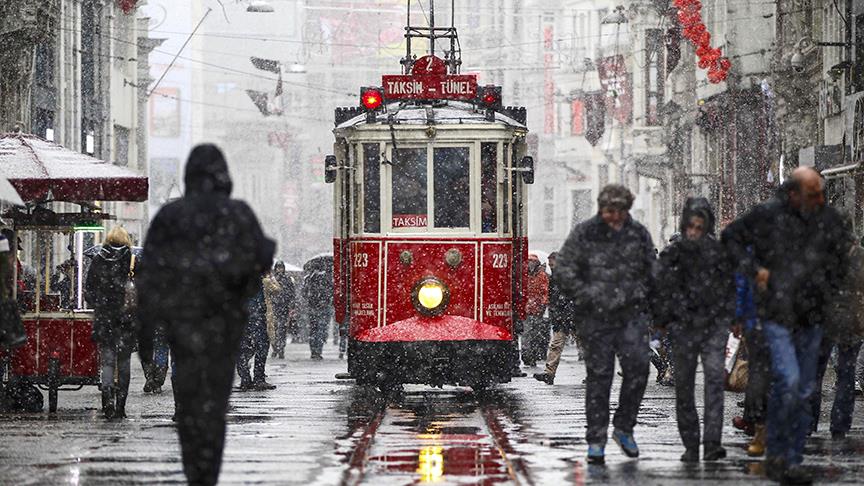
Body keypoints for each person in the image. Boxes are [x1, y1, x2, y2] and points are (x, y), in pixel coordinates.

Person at [136, 144, 275, 486]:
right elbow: (263, 257)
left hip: (182, 327)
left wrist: (145, 335)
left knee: (188, 403)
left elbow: (148, 278)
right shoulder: (237, 214)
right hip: (224, 329)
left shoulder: (170, 217)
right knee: (214, 405)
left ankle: (193, 469)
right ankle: (207, 472)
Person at [722, 167, 850, 484]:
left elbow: (842, 256)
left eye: (821, 194)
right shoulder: (768, 216)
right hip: (776, 315)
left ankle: (789, 457)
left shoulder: (827, 219)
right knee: (790, 381)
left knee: (804, 389)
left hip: (812, 316)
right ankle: (780, 453)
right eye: (812, 194)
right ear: (794, 194)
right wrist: (755, 271)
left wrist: (827, 286)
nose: (820, 200)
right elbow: (730, 238)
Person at [554, 184, 655, 465]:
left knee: (638, 369)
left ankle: (624, 427)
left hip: (630, 315)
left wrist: (654, 305)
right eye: (610, 211)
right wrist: (586, 293)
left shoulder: (638, 234)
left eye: (620, 211)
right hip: (595, 317)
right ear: (601, 209)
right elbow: (564, 268)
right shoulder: (585, 233)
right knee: (600, 378)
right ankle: (596, 439)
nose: (614, 217)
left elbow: (653, 271)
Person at [655, 197, 735, 462]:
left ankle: (712, 442)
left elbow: (730, 288)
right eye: (691, 227)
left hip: (713, 327)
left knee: (713, 383)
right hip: (683, 328)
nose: (694, 232)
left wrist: (731, 317)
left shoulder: (719, 253)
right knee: (685, 387)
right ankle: (691, 443)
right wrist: (663, 320)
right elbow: (659, 291)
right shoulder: (673, 255)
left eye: (699, 227)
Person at [84, 226, 136, 419]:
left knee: (107, 361)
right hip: (126, 318)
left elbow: (89, 289)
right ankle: (121, 406)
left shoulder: (98, 259)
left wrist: (99, 304)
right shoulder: (131, 260)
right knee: (124, 362)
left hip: (105, 317)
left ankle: (107, 402)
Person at [534, 252, 578, 384]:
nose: (550, 265)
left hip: (571, 318)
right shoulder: (557, 277)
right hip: (565, 318)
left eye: (551, 262)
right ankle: (549, 373)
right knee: (555, 345)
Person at [237, 277, 276, 391]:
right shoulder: (262, 280)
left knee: (245, 348)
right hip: (256, 317)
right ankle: (257, 379)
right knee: (261, 347)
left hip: (246, 317)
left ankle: (246, 379)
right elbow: (277, 289)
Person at [520, 254, 549, 367]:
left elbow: (545, 292)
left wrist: (543, 304)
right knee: (527, 333)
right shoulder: (523, 276)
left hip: (537, 310)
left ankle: (532, 355)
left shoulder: (542, 276)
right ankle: (527, 355)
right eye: (529, 261)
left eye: (533, 261)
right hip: (527, 310)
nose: (530, 263)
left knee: (535, 334)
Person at [303, 260, 332, 360]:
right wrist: (325, 300)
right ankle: (318, 351)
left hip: (312, 307)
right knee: (321, 330)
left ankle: (314, 351)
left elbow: (304, 293)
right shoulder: (326, 278)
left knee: (313, 330)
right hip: (322, 308)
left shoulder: (308, 278)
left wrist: (310, 300)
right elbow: (330, 292)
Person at [265, 261, 295, 359]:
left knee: (282, 330)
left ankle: (281, 349)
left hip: (284, 308)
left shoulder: (287, 279)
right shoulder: (272, 280)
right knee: (273, 330)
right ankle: (275, 349)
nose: (279, 270)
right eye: (278, 268)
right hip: (273, 308)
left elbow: (292, 293)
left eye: (281, 268)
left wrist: (292, 305)